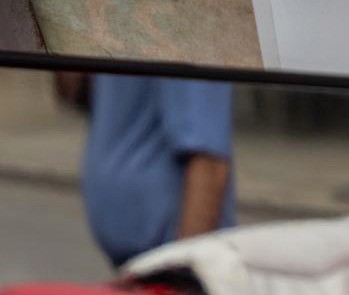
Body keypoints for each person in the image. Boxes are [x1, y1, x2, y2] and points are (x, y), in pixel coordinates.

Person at [73, 74, 237, 267]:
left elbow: (209, 163)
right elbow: (74, 92)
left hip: (170, 266)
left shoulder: (188, 46)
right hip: (141, 268)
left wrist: (183, 277)